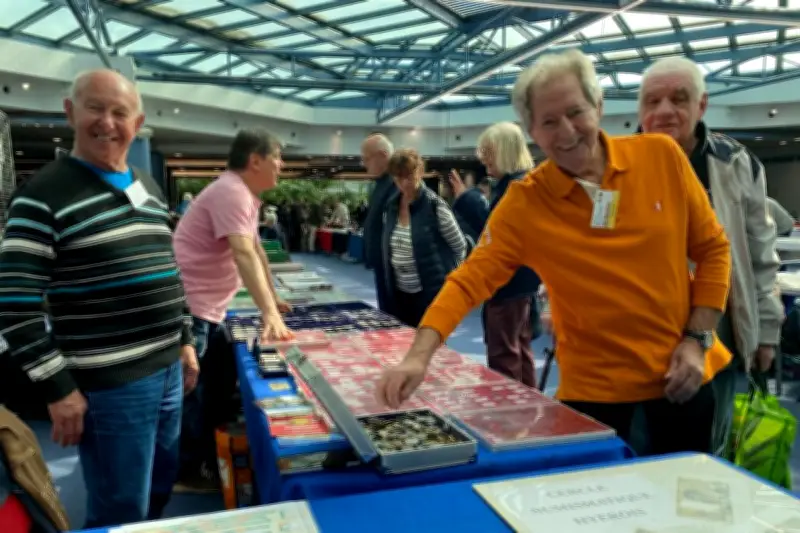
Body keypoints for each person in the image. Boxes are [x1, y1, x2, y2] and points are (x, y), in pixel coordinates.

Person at [376, 49, 733, 455]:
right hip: (595, 396)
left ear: (598, 106)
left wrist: (698, 338)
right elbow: (468, 281)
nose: (566, 132)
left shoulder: (662, 156)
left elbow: (714, 250)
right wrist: (418, 357)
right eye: (548, 121)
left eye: (576, 112)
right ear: (532, 131)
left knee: (687, 493)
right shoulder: (525, 203)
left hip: (683, 379)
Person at [0, 69, 197, 528]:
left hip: (169, 370)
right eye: (95, 108)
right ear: (70, 112)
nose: (107, 122)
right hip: (112, 385)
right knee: (120, 505)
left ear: (137, 123)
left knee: (160, 487)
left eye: (119, 112)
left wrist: (185, 339)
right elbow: (14, 304)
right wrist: (58, 388)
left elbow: (168, 269)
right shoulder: (41, 196)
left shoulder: (146, 186)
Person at [639, 56, 782, 456]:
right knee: (637, 452)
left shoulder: (734, 163)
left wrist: (766, 332)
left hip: (717, 338)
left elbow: (760, 254)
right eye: (652, 101)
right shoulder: (614, 164)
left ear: (701, 105)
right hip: (639, 340)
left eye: (678, 99)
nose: (664, 111)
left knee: (705, 456)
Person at [172, 128, 292, 489]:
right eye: (277, 158)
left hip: (210, 308)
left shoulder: (243, 194)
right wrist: (268, 313)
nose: (281, 165)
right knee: (194, 392)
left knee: (215, 388)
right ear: (255, 160)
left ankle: (206, 457)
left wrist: (273, 301)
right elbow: (242, 253)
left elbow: (256, 251)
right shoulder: (231, 191)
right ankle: (188, 470)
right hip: (194, 308)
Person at [448, 122, 541, 387]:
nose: (484, 159)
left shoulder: (516, 187)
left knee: (504, 355)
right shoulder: (521, 183)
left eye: (488, 152)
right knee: (519, 349)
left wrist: (467, 199)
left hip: (509, 284)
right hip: (521, 284)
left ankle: (510, 405)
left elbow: (495, 234)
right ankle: (527, 403)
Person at [381, 149, 467, 327]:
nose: (404, 183)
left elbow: (460, 247)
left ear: (420, 171)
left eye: (408, 176)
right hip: (399, 295)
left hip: (428, 296)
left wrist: (446, 283)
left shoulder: (435, 207)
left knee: (427, 342)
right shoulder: (391, 207)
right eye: (398, 178)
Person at [361, 134, 397, 312]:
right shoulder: (382, 183)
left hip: (393, 266)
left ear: (383, 155)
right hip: (383, 263)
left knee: (394, 313)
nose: (364, 164)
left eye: (367, 158)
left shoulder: (397, 183)